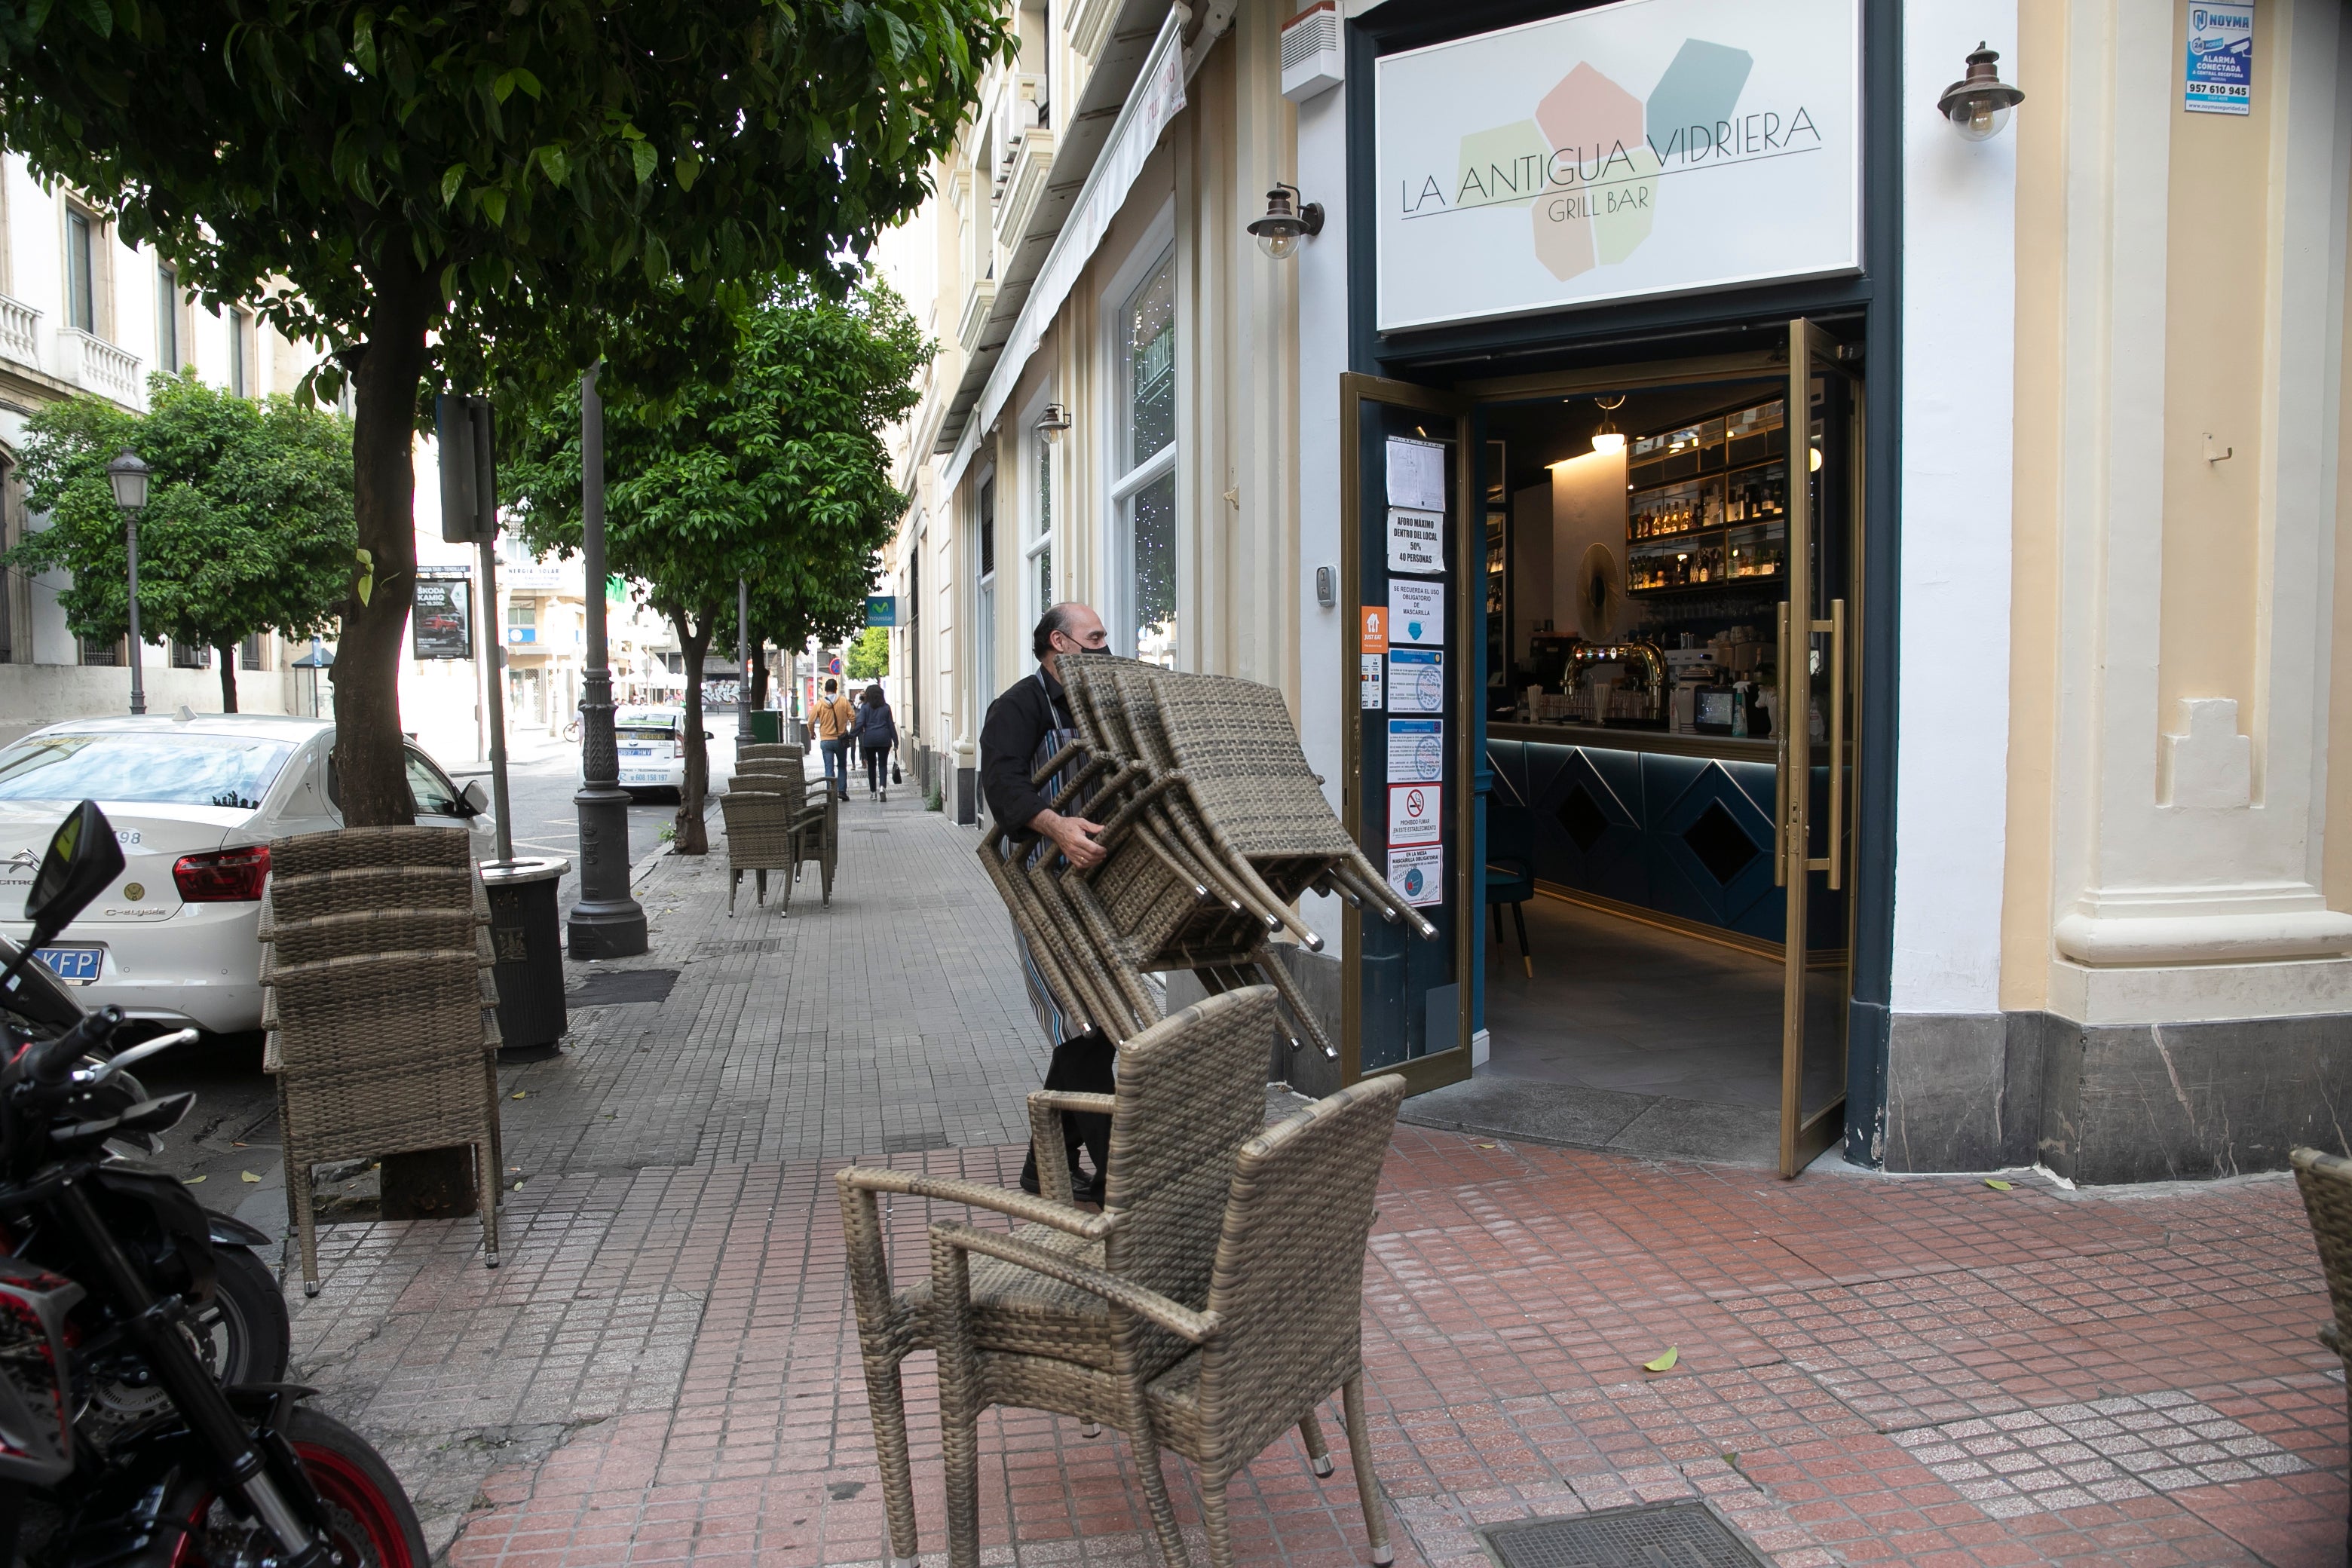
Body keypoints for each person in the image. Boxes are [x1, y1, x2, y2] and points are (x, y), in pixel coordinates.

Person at [980, 602, 1115, 1200]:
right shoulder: (1016, 707)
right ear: (1060, 643)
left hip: (1098, 887)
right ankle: (1123, 1176)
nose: (1105, 648)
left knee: (1097, 1029)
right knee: (1082, 1027)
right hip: (1043, 888)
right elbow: (1003, 784)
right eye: (1095, 638)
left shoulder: (1096, 706)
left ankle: (1044, 1167)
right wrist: (1057, 827)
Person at [812, 677, 857, 801]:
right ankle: (842, 791)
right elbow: (853, 717)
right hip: (840, 740)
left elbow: (810, 721)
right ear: (836, 689)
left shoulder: (820, 703)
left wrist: (812, 733)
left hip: (826, 741)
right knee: (842, 766)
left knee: (829, 768)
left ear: (825, 690)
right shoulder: (843, 701)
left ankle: (830, 794)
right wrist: (851, 731)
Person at [855, 683, 897, 801]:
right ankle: (882, 787)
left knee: (871, 766)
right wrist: (896, 740)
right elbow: (890, 725)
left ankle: (873, 792)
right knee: (883, 765)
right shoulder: (886, 707)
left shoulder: (865, 707)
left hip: (869, 740)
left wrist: (851, 734)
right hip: (884, 739)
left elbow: (860, 723)